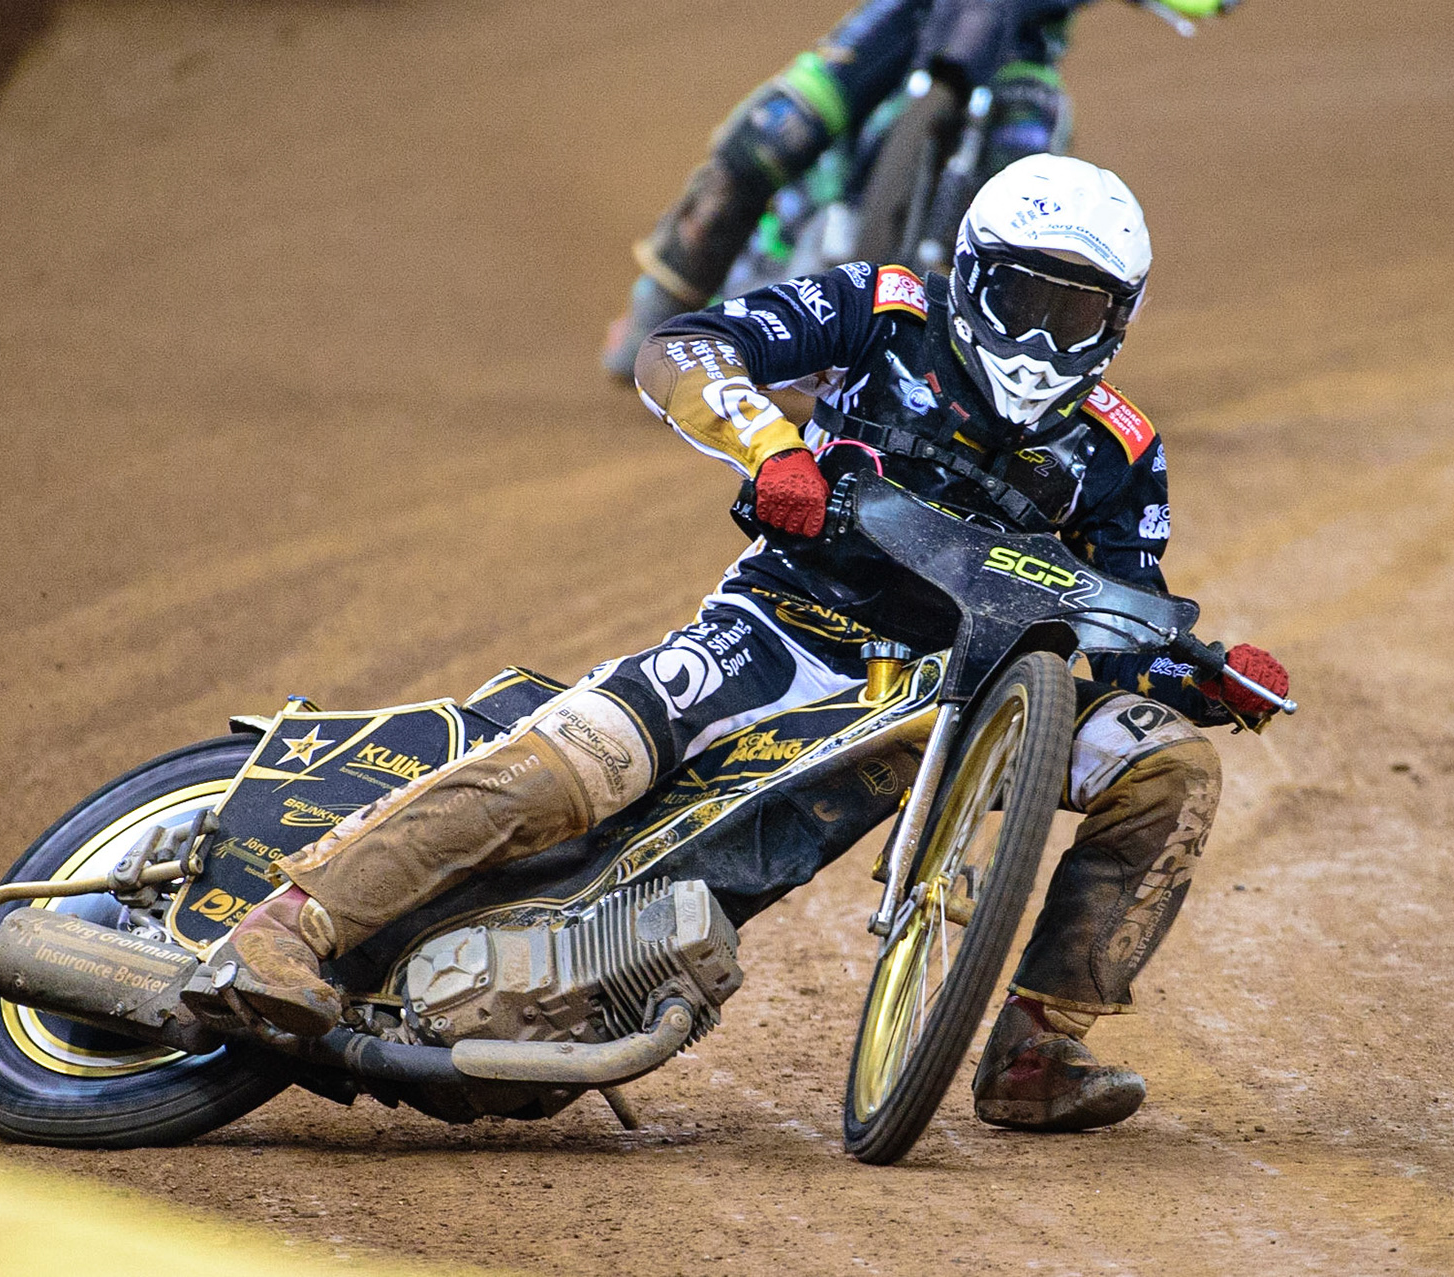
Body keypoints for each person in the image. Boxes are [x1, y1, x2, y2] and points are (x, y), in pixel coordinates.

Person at [187, 154, 1287, 1133]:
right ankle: (289, 926)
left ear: (1121, 320)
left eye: (1078, 310)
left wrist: (1205, 675)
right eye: (1027, 297)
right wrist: (770, 449)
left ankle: (1041, 1049)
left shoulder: (1120, 452)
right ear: (971, 272)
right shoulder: (884, 308)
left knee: (1171, 760)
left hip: (956, 709)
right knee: (589, 757)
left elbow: (1124, 618)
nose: (1047, 337)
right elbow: (685, 345)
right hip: (778, 629)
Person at [600, 0, 1237, 378]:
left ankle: (991, 365)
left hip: (1017, 47)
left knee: (1029, 172)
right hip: (908, 19)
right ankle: (655, 308)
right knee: (771, 139)